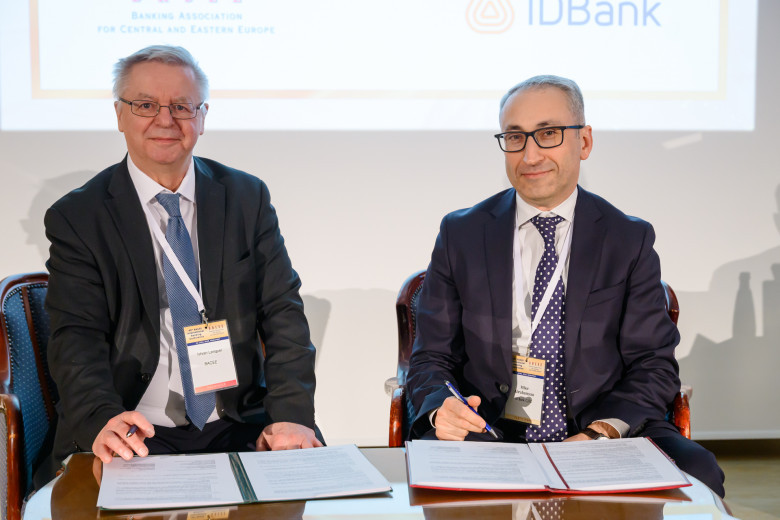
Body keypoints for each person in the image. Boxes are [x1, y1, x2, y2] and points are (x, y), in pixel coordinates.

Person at [405, 75, 725, 497]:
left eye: (548, 134)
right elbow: (431, 357)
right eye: (515, 137)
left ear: (584, 141)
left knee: (699, 470)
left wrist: (599, 433)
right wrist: (441, 408)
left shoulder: (627, 239)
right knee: (430, 478)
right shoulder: (461, 233)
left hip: (601, 431)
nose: (530, 154)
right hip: (489, 431)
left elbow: (653, 365)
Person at [35, 45, 322, 487]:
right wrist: (101, 418)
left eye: (182, 106)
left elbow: (283, 313)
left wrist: (291, 416)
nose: (165, 120)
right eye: (145, 105)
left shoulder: (246, 198)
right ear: (120, 114)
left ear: (202, 117)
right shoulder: (79, 217)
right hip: (134, 427)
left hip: (238, 423)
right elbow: (77, 337)